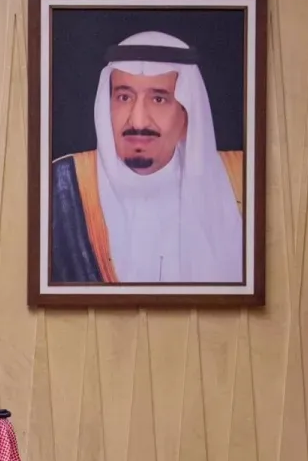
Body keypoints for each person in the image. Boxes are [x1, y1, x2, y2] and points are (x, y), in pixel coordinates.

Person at [50, 30, 245, 285]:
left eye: (159, 99)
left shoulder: (241, 179)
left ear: (187, 113)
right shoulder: (61, 186)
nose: (138, 121)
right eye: (124, 97)